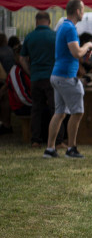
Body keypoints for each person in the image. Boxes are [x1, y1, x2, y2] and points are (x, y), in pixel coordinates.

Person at [44, 0, 92, 159]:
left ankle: (50, 149)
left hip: (57, 75)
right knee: (77, 112)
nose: (84, 13)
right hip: (66, 76)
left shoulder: (62, 27)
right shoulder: (70, 29)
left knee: (59, 113)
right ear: (78, 11)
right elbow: (77, 53)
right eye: (83, 9)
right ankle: (71, 149)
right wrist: (88, 45)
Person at [21, 11, 56, 147]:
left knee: (36, 109)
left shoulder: (29, 37)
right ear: (49, 21)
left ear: (36, 22)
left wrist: (29, 72)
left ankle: (35, 139)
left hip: (35, 77)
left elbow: (22, 58)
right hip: (52, 77)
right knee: (55, 109)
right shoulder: (55, 36)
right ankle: (56, 140)